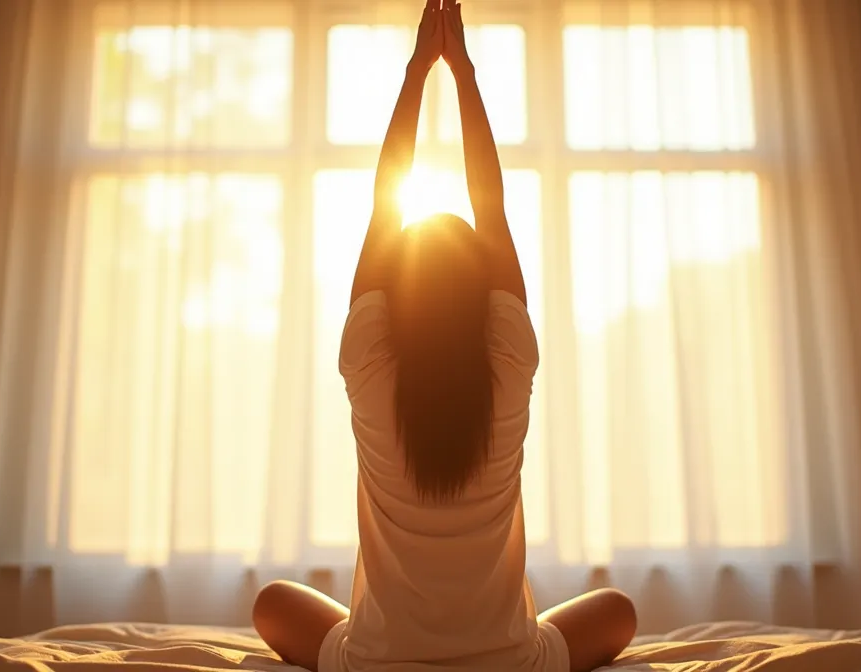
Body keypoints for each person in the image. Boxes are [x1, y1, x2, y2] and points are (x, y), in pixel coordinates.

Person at [252, 1, 637, 670]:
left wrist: (417, 73)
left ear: (395, 297)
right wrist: (462, 71)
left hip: (374, 663)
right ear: (484, 297)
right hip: (511, 664)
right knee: (618, 610)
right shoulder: (508, 363)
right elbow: (492, 206)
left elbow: (383, 209)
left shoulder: (369, 363)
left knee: (272, 604)